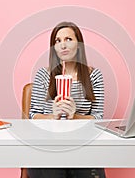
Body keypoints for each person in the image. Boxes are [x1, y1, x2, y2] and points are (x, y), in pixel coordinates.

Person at [27, 21, 105, 178]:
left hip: (82, 146)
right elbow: (33, 115)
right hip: (47, 146)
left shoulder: (94, 76)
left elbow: (98, 118)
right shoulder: (44, 75)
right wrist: (53, 116)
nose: (63, 45)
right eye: (58, 41)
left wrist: (74, 116)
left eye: (68, 39)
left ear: (79, 45)